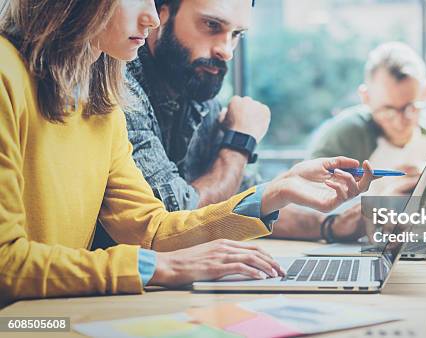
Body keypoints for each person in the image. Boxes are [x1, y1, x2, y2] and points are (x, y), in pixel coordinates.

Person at [0, 0, 373, 305]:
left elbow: (152, 229)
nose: (151, 17)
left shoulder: (105, 99)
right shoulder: (6, 76)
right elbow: (6, 264)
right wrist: (157, 268)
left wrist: (273, 193)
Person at [90, 0, 372, 247]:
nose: (226, 50)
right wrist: (239, 142)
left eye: (236, 34)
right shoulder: (114, 83)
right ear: (161, 13)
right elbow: (172, 223)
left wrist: (331, 226)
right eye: (211, 25)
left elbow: (238, 202)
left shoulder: (195, 88)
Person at [309, 42, 426, 196]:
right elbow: (308, 202)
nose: (400, 122)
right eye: (387, 111)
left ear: (425, 93)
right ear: (366, 97)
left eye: (410, 108)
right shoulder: (345, 136)